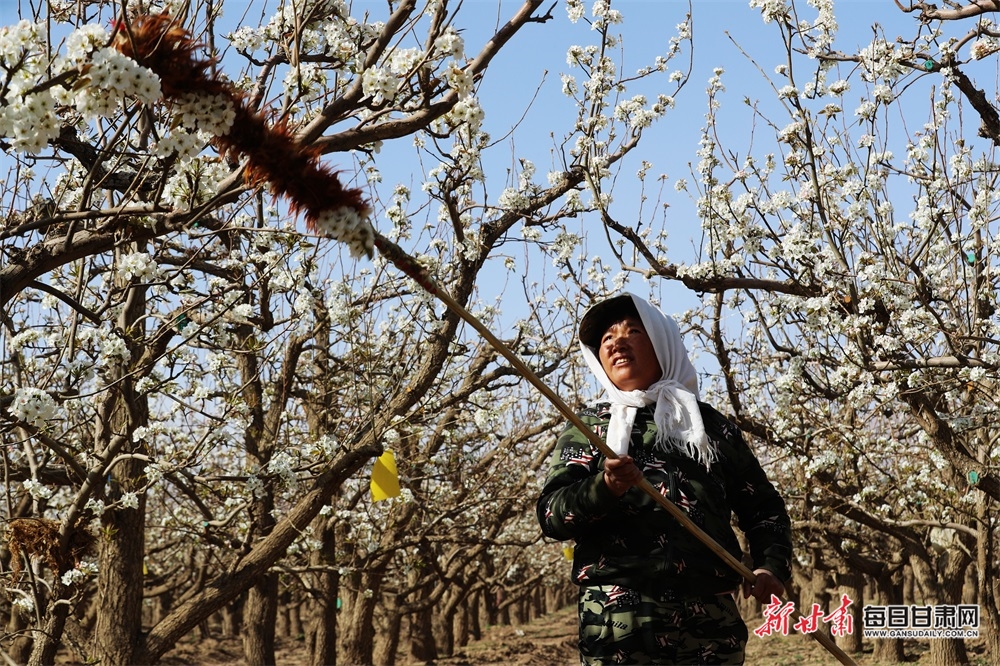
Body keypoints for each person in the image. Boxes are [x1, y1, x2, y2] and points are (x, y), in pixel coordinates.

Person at [537, 292, 792, 665]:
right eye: (606, 338)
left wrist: (770, 565)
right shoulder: (587, 429)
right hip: (616, 619)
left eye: (632, 331)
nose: (617, 342)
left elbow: (763, 508)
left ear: (661, 341)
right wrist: (604, 488)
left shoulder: (711, 428)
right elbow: (552, 516)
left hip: (709, 619)